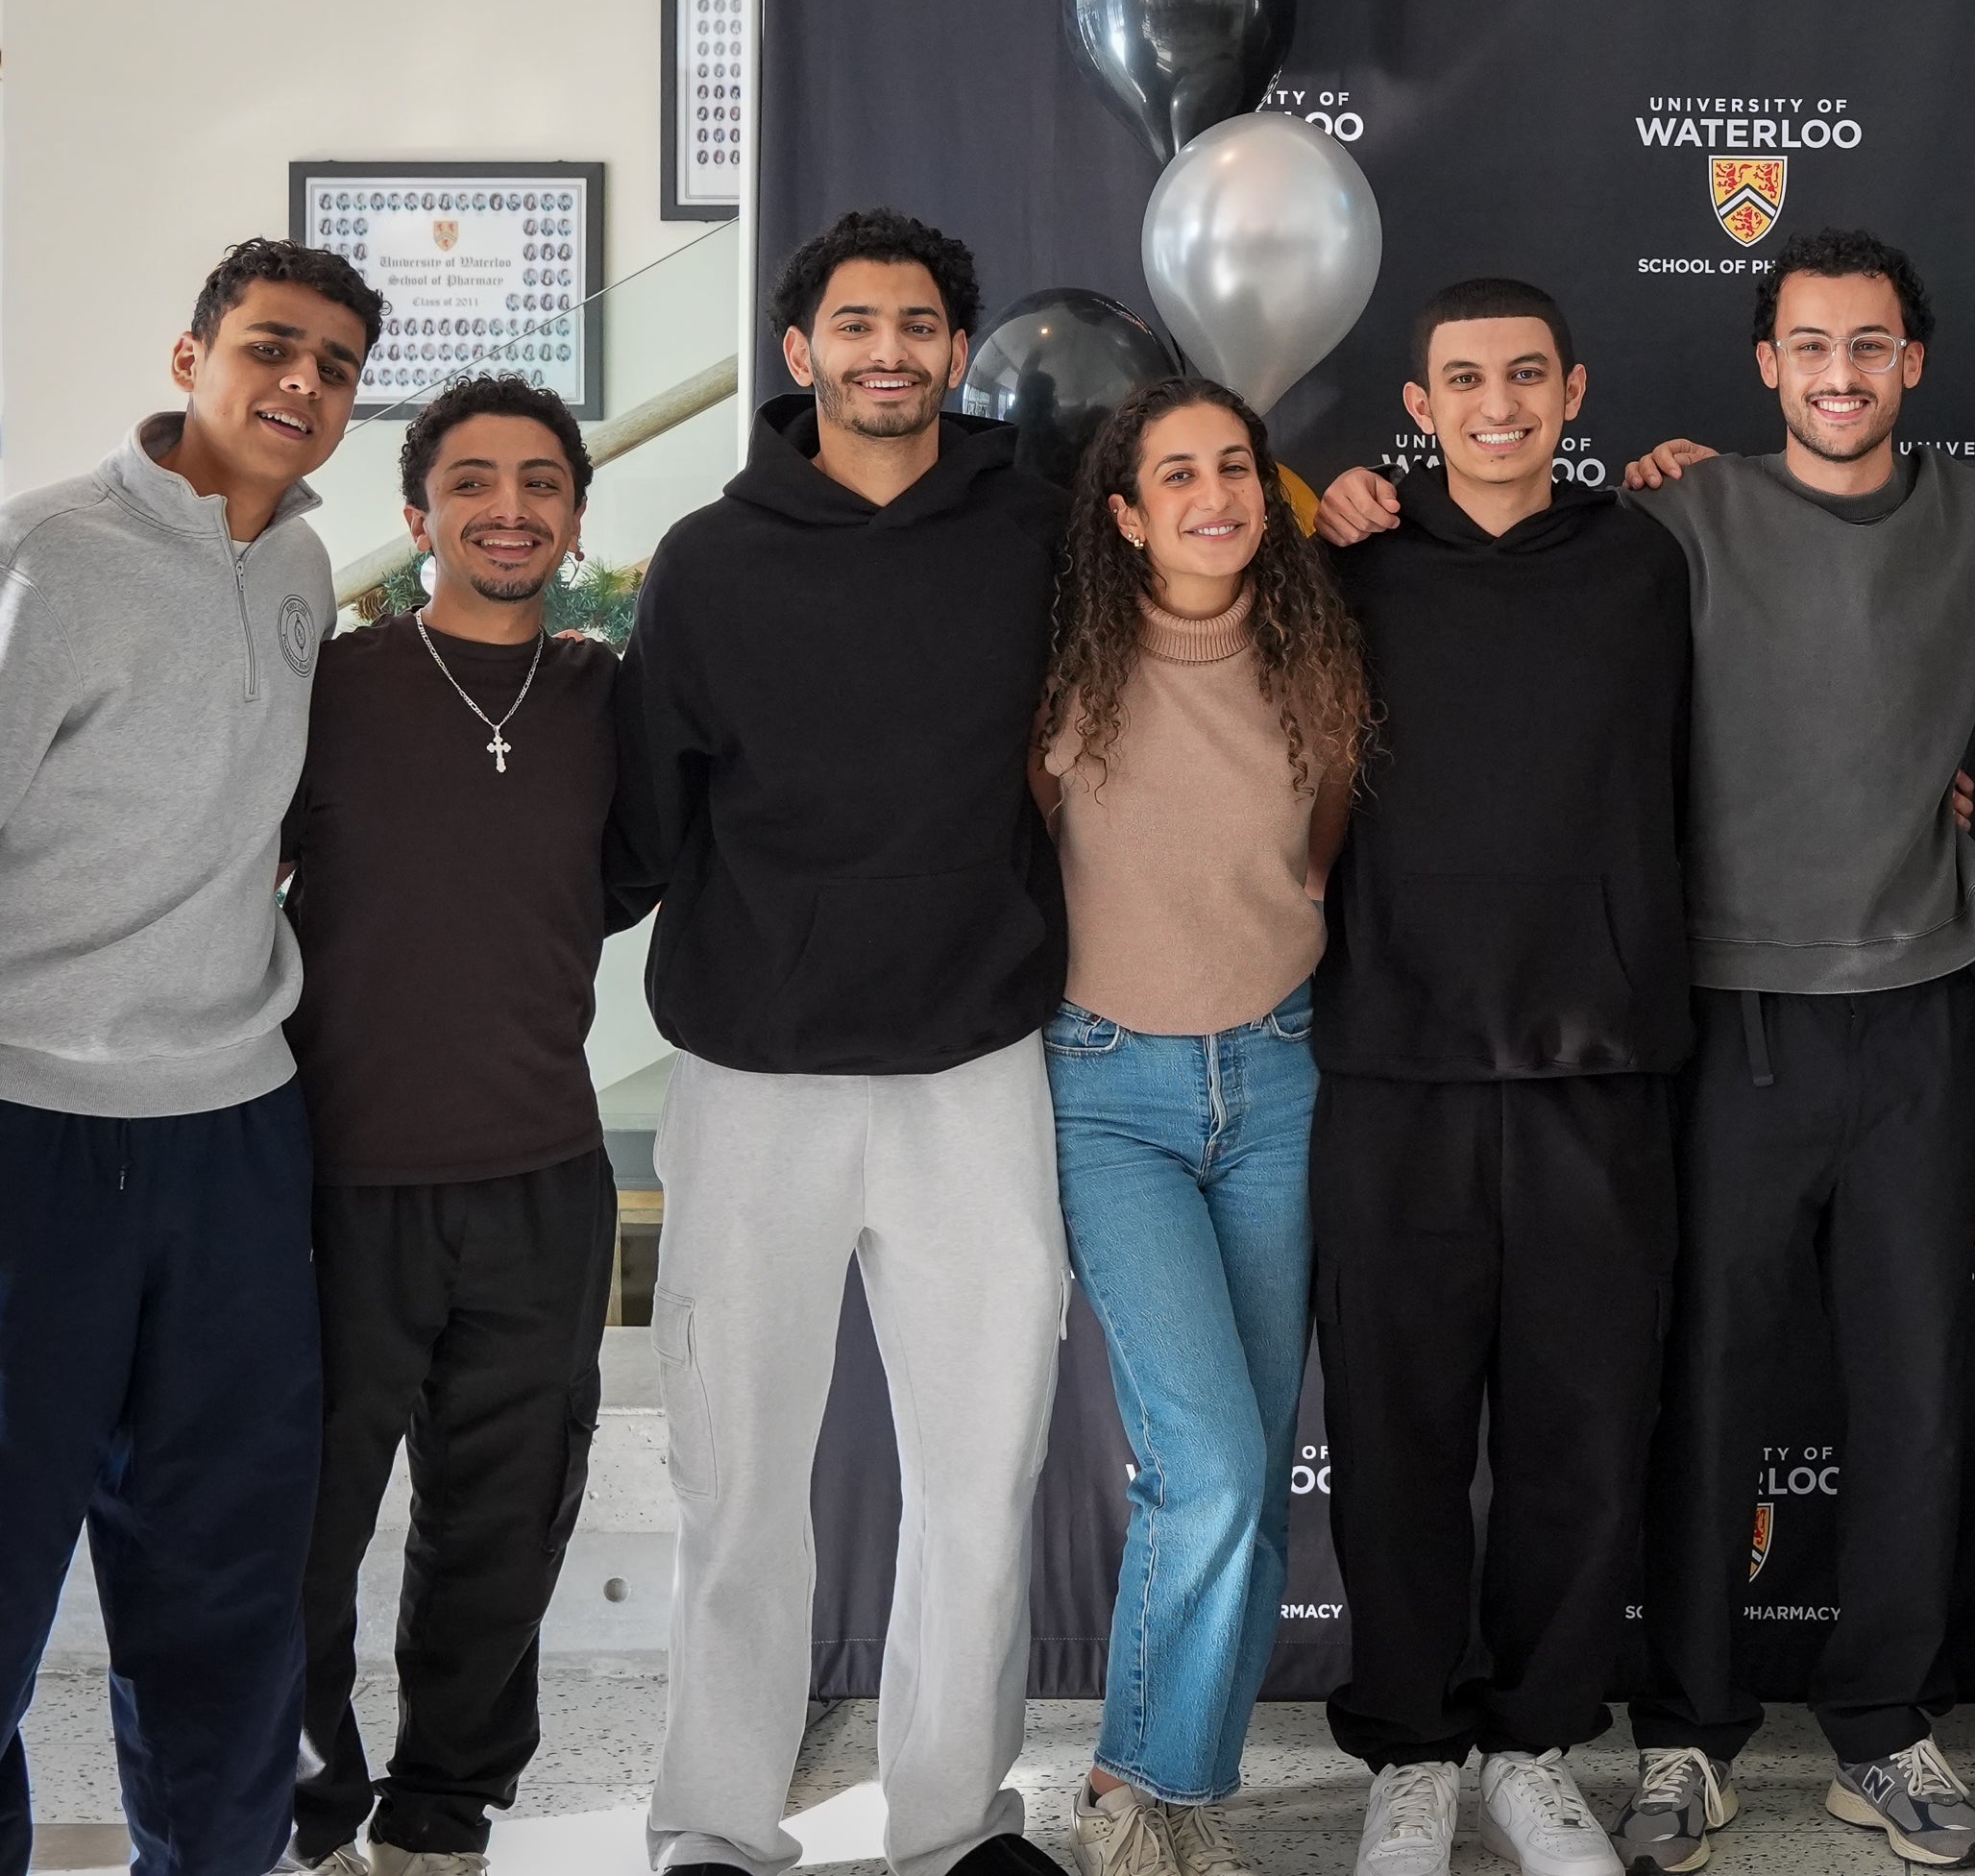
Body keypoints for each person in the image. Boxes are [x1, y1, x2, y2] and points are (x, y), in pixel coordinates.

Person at [1318, 231, 1975, 1874]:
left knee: (1912, 1391)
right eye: (1811, 346)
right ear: (1766, 365)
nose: (1841, 373)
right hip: (1716, 1014)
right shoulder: (1672, 515)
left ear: (1916, 363)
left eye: (1872, 346)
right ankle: (1687, 1736)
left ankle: (1885, 1733)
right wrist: (1339, 498)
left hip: (1917, 1006)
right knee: (1705, 1396)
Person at [615, 209, 1072, 1876]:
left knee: (983, 1465)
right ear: (800, 352)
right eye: (856, 323)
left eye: (922, 323)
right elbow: (644, 813)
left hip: (972, 1068)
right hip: (753, 1077)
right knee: (738, 1476)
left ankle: (953, 1823)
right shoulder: (711, 558)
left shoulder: (1039, 534)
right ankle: (715, 1823)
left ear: (960, 350)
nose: (891, 349)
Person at [0, 239, 375, 1876]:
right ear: (190, 353)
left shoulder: (304, 572)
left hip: (236, 1136)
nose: (303, 384)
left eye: (338, 366)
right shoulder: (47, 559)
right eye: (273, 348)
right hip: (34, 1129)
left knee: (226, 1587)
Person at [1311, 282, 1693, 1876]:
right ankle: (1412, 1746)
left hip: (1597, 1068)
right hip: (1392, 1063)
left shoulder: (1648, 556)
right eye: (1465, 378)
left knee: (1581, 1433)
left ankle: (1535, 1743)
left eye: (1528, 374)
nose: (1497, 403)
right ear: (1423, 398)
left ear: (1573, 386)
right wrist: (1312, 514)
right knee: (1393, 1432)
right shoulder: (1349, 565)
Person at [282, 377, 642, 1876]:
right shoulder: (337, 683)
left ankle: (443, 1807)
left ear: (574, 510)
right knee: (299, 1524)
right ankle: (300, 1797)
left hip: (543, 1178)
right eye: (475, 480)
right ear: (415, 512)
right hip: (332, 1178)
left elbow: (620, 880)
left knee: (503, 1524)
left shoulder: (609, 698)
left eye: (542, 480)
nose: (511, 506)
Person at [1038, 377, 1367, 1876]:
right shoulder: (1062, 673)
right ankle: (1144, 1794)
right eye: (1177, 474)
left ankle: (1174, 1799)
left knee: (1241, 1457)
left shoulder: (1321, 654)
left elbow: (1327, 857)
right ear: (1126, 512)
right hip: (1111, 1092)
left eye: (1236, 466)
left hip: (1282, 1080)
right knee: (1216, 1462)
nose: (1215, 493)